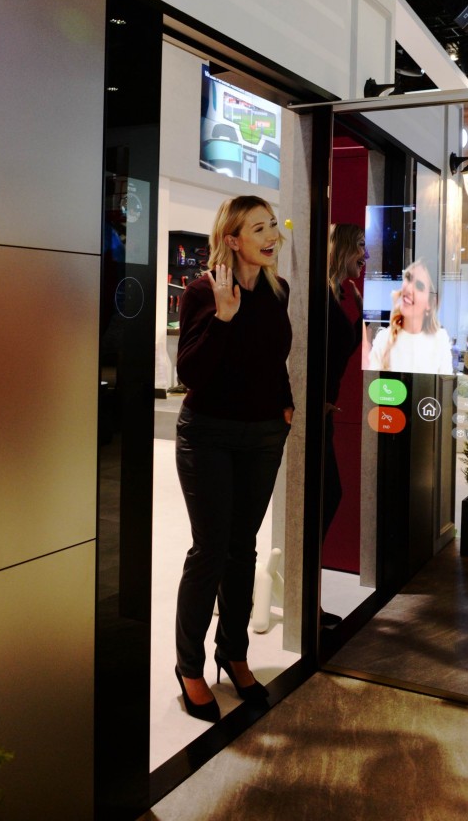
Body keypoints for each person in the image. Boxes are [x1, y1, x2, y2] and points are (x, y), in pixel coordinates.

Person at [173, 195, 294, 721]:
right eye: (259, 228)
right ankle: (189, 666)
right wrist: (222, 319)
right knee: (211, 550)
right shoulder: (202, 292)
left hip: (264, 433)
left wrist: (285, 404)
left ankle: (235, 653)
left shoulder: (276, 289)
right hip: (209, 435)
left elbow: (274, 356)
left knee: (241, 549)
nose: (271, 237)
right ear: (232, 238)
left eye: (272, 226)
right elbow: (192, 374)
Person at [321, 223, 368, 627]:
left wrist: (357, 319)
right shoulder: (322, 294)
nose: (364, 257)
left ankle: (310, 600)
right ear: (343, 248)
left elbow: (341, 352)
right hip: (315, 412)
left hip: (327, 409)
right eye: (360, 248)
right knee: (328, 494)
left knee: (328, 495)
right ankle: (308, 599)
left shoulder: (339, 292)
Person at [368, 259, 452, 374]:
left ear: (430, 303)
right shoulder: (383, 339)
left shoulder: (440, 341)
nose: (408, 288)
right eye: (408, 278)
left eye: (419, 286)